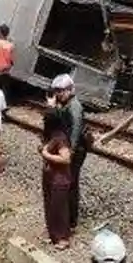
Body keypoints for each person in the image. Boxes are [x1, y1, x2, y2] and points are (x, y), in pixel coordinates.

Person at [51, 73, 89, 229]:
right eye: (57, 91)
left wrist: (70, 151)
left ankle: (71, 219)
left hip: (76, 150)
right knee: (70, 181)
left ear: (70, 90)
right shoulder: (67, 104)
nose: (58, 94)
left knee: (71, 182)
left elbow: (75, 129)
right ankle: (69, 216)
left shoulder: (75, 107)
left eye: (61, 91)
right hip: (72, 148)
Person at [40, 108, 74, 249]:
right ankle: (53, 235)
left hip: (59, 180)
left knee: (59, 209)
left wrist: (46, 155)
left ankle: (63, 238)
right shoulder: (52, 136)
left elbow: (66, 159)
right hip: (50, 177)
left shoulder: (60, 138)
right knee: (50, 207)